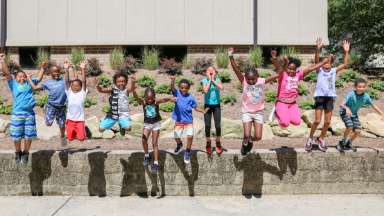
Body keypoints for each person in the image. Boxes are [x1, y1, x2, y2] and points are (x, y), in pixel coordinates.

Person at [228, 48, 280, 156]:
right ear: (245, 78)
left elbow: (278, 74)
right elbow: (236, 69)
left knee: (258, 137)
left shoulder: (261, 81)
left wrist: (275, 59)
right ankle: (245, 142)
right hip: (247, 111)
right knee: (246, 134)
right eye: (249, 79)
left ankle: (250, 141)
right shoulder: (244, 82)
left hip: (258, 112)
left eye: (253, 79)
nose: (251, 81)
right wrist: (230, 55)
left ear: (257, 76)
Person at [306, 38, 350, 152]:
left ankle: (321, 139)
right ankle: (310, 138)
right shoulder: (319, 70)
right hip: (320, 97)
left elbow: (345, 64)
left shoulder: (334, 70)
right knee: (316, 121)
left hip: (330, 98)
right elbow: (316, 61)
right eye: (325, 61)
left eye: (329, 61)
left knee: (327, 122)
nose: (327, 63)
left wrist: (346, 52)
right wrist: (317, 49)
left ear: (331, 63)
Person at [1, 53, 43, 164]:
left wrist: (42, 68)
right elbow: (6, 73)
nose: (22, 77)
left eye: (23, 76)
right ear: (16, 78)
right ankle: (18, 152)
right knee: (16, 135)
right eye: (19, 76)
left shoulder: (29, 84)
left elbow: (39, 78)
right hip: (17, 114)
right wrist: (2, 61)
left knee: (29, 135)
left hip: (29, 114)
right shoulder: (13, 84)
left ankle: (26, 152)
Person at [273, 52, 329, 129]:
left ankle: (284, 114)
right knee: (285, 123)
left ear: (296, 69)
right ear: (286, 68)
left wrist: (323, 62)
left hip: (292, 104)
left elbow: (311, 69)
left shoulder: (298, 75)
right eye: (289, 69)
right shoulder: (282, 75)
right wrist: (275, 58)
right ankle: (278, 113)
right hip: (282, 102)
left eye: (293, 69)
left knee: (297, 122)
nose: (291, 71)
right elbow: (278, 67)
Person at [132, 78, 176, 174]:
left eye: (151, 98)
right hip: (147, 124)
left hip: (156, 124)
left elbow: (164, 99)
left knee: (154, 142)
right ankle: (147, 155)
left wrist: (171, 99)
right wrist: (133, 87)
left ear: (154, 97)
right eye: (148, 98)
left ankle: (156, 163)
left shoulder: (156, 102)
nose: (150, 100)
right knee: (144, 140)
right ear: (145, 98)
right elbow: (136, 98)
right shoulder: (143, 103)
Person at [337, 78, 384, 152]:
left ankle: (348, 143)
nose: (361, 88)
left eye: (363, 87)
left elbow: (374, 106)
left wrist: (382, 114)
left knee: (358, 131)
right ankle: (342, 143)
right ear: (355, 87)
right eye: (359, 87)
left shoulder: (366, 96)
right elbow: (341, 104)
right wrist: (347, 108)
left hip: (354, 114)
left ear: (365, 87)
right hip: (344, 112)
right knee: (349, 126)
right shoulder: (351, 94)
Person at [28, 61, 68, 146]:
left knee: (62, 124)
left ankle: (62, 136)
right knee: (48, 124)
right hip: (51, 106)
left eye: (58, 71)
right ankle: (46, 109)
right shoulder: (48, 83)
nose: (56, 73)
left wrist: (66, 68)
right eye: (54, 72)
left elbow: (68, 78)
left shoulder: (64, 81)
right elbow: (35, 88)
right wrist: (29, 79)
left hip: (62, 107)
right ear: (50, 73)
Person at [171, 76, 205, 164]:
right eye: (182, 87)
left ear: (188, 88)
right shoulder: (177, 93)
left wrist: (202, 111)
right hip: (179, 120)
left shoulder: (191, 98)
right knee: (176, 136)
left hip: (188, 120)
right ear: (179, 87)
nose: (184, 89)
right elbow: (172, 88)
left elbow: (195, 107)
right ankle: (179, 144)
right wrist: (172, 81)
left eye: (186, 88)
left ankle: (187, 151)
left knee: (190, 136)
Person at [201, 66, 223, 155]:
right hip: (207, 106)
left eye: (212, 70)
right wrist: (210, 80)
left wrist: (213, 80)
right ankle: (208, 142)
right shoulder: (204, 81)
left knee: (218, 125)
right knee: (207, 125)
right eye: (208, 70)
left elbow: (221, 88)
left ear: (215, 72)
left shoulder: (218, 79)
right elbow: (205, 90)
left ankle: (218, 142)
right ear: (206, 72)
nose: (210, 71)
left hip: (217, 106)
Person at [64, 60, 88, 142]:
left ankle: (82, 133)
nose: (75, 87)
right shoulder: (69, 92)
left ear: (81, 87)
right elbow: (67, 81)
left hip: (79, 120)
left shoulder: (82, 93)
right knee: (70, 138)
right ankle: (73, 133)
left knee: (81, 139)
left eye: (77, 86)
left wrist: (83, 69)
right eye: (73, 85)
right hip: (70, 120)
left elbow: (84, 81)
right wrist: (66, 69)